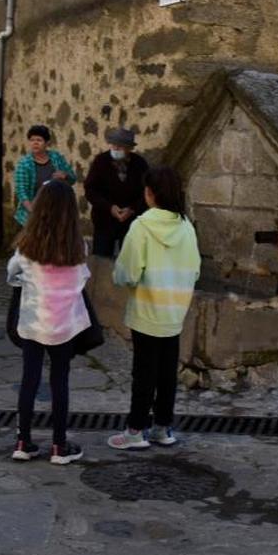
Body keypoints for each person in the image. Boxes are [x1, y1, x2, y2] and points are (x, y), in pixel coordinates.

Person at [107, 166, 201, 450]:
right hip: (174, 313)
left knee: (144, 374)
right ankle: (162, 427)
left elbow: (128, 272)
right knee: (167, 373)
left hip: (147, 311)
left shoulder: (141, 226)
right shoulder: (186, 227)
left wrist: (120, 277)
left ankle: (136, 430)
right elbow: (195, 269)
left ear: (150, 193)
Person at [7, 180, 90, 465]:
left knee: (29, 380)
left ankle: (23, 441)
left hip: (32, 322)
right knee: (60, 381)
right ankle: (59, 445)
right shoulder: (78, 247)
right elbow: (82, 279)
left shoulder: (26, 247)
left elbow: (12, 274)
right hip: (64, 325)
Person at [83, 127, 149, 258]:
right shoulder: (100, 161)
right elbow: (90, 190)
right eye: (113, 145)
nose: (116, 149)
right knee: (100, 261)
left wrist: (132, 209)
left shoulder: (139, 164)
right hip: (104, 221)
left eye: (120, 146)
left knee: (130, 262)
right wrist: (109, 207)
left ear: (129, 148)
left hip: (131, 222)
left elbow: (146, 192)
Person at [13, 125, 75, 227]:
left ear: (47, 143)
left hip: (56, 212)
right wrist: (33, 211)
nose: (35, 143)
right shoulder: (24, 163)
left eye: (39, 140)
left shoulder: (56, 157)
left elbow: (73, 179)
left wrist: (65, 176)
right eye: (32, 140)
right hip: (31, 214)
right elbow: (21, 191)